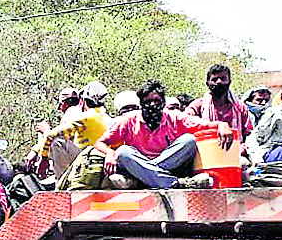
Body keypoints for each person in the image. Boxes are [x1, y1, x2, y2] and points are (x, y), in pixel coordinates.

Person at [94, 80, 234, 189]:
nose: (153, 105)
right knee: (123, 152)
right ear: (141, 103)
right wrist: (109, 154)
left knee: (189, 140)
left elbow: (204, 124)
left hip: (165, 164)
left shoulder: (175, 117)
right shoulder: (128, 120)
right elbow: (100, 142)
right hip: (139, 162)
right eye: (148, 102)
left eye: (157, 101)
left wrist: (223, 124)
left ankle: (142, 180)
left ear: (163, 102)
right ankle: (174, 183)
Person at [185, 64, 255, 144]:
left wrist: (244, 147)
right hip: (206, 149)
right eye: (214, 80)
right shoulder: (198, 106)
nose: (219, 82)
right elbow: (185, 123)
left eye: (223, 79)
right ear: (207, 84)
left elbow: (249, 134)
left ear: (229, 82)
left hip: (236, 151)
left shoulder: (240, 107)